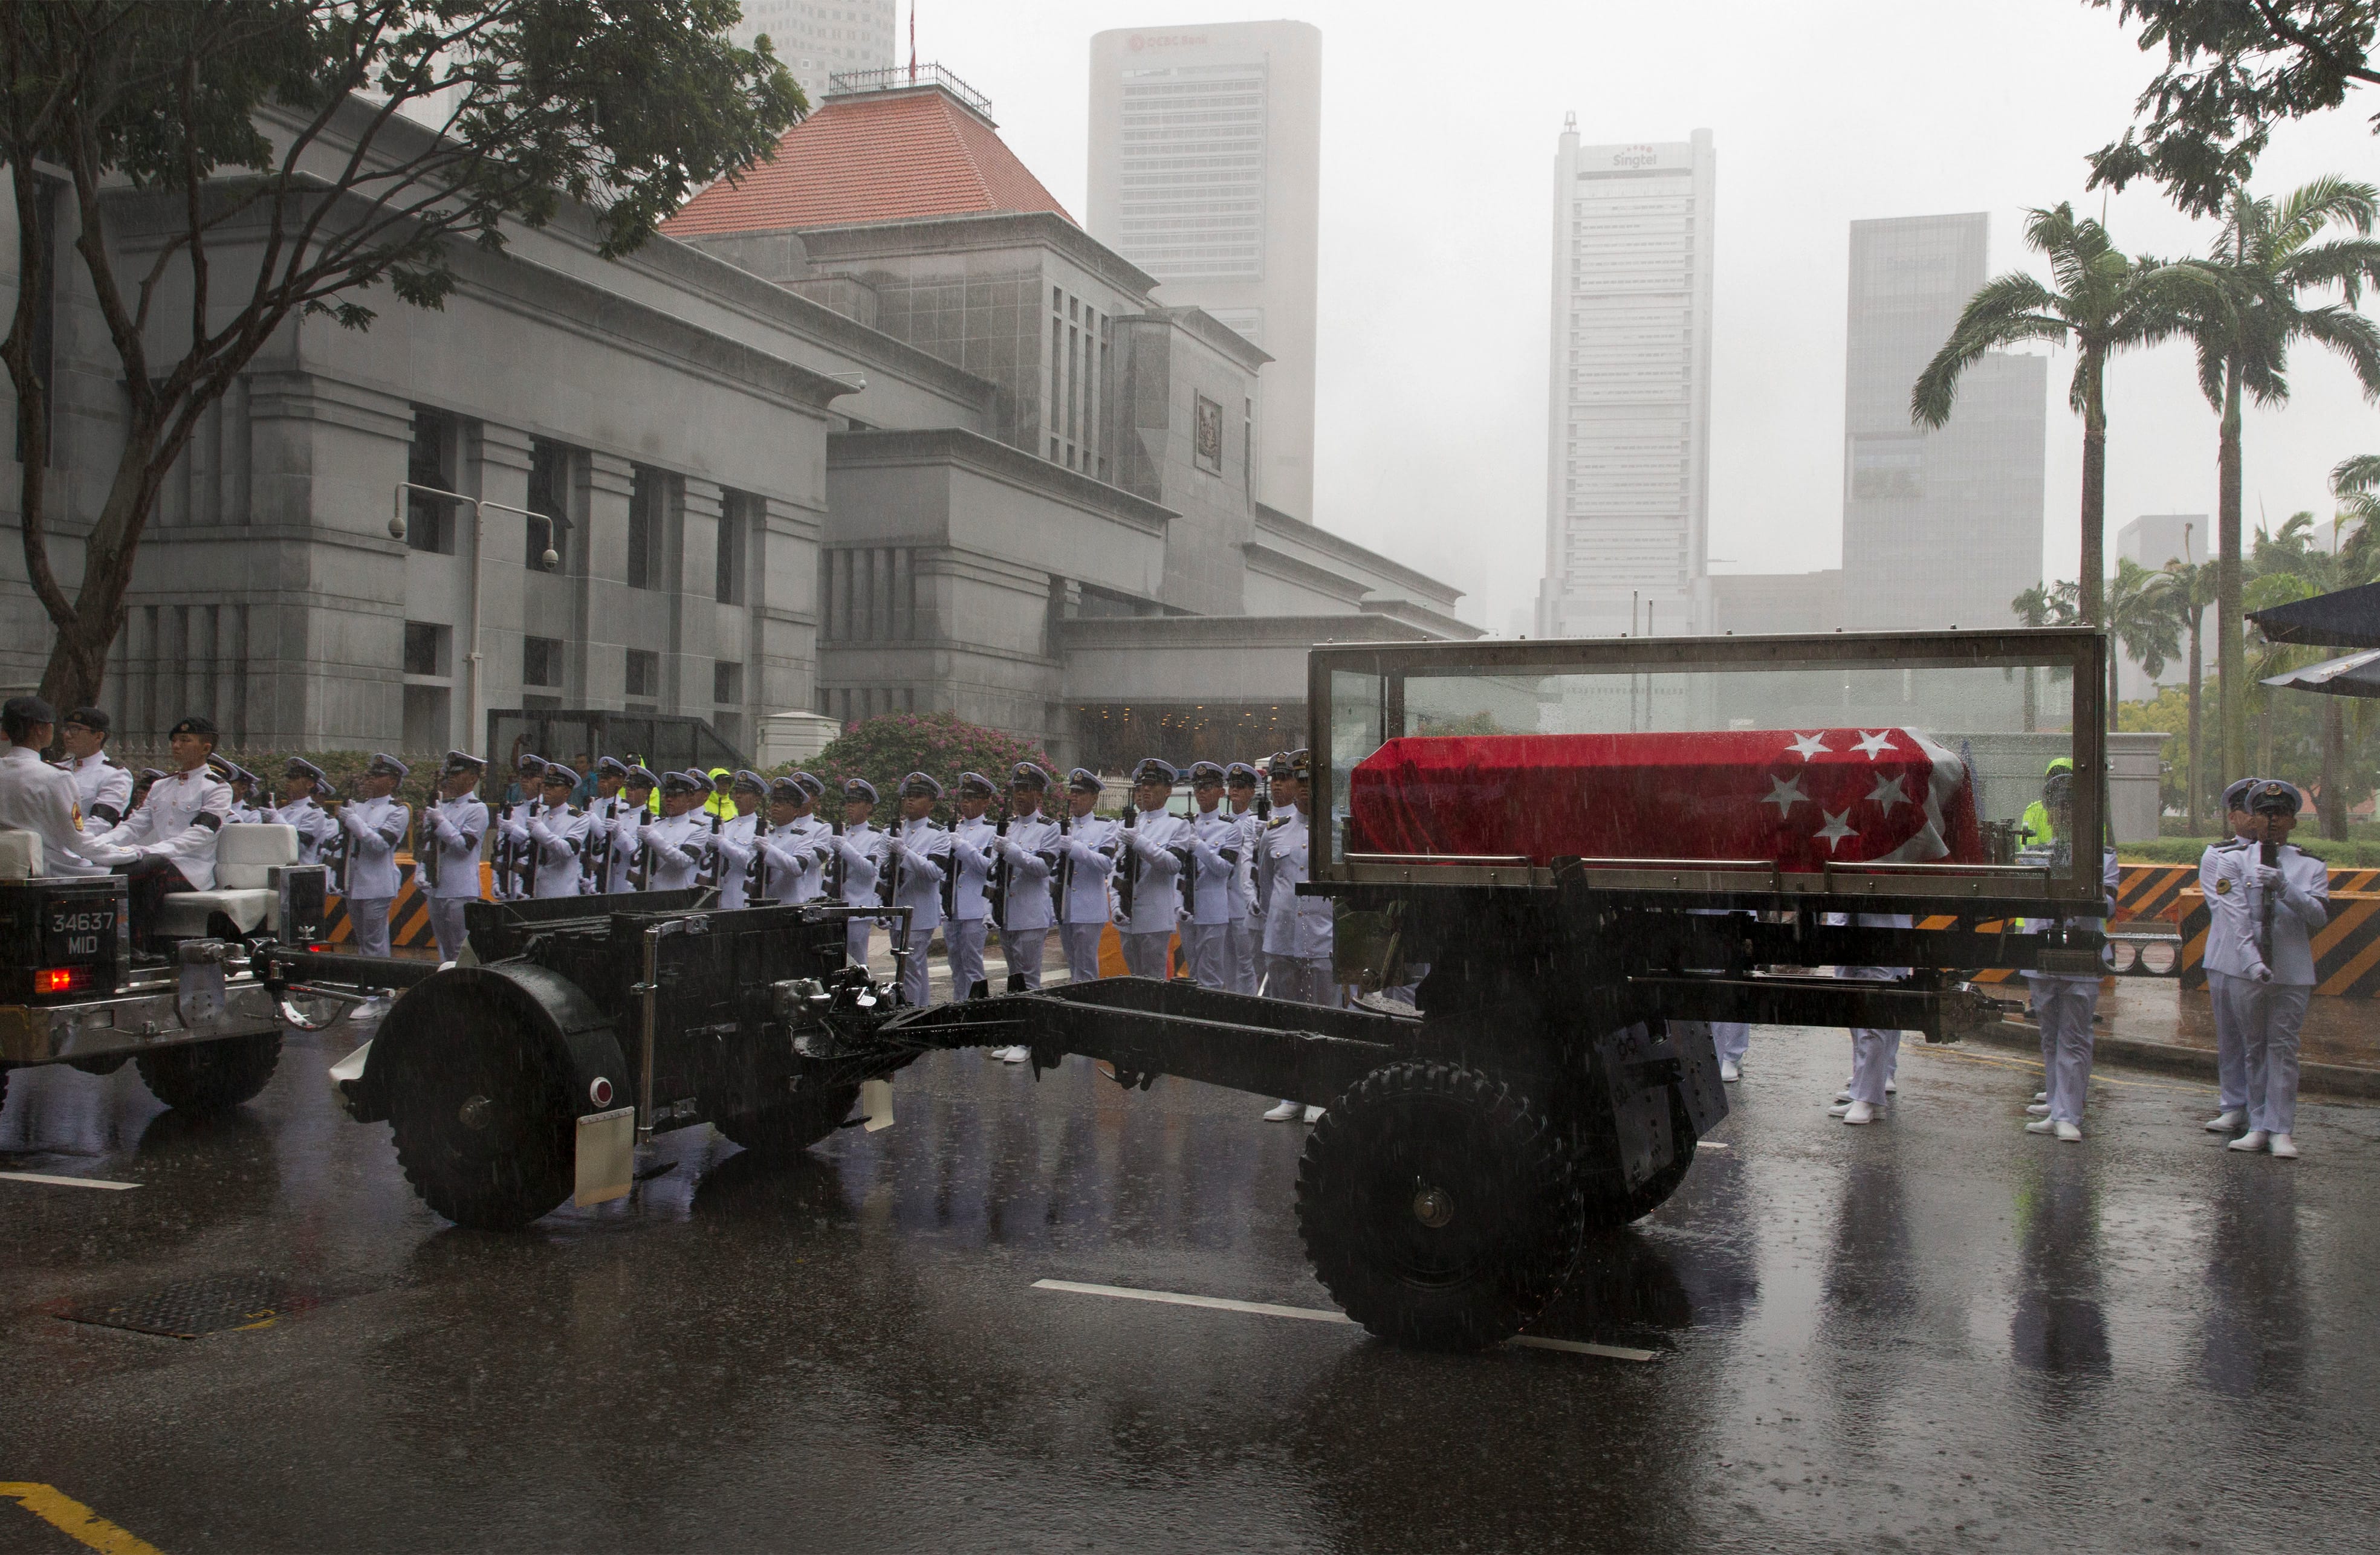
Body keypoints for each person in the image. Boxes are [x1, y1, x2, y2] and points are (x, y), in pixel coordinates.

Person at [2203, 779, 2328, 1159]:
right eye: (2264, 814)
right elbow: (2234, 918)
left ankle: (2282, 1129)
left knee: (2284, 1048)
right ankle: (2258, 1124)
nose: (2273, 821)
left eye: (2281, 814)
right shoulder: (2232, 861)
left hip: (2291, 969)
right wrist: (2253, 962)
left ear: (2293, 821)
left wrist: (2287, 887)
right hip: (2247, 969)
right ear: (2252, 820)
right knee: (2254, 1048)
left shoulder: (2309, 865)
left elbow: (2319, 917)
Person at [2018, 770, 2121, 1142]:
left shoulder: (2101, 858)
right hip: (2043, 951)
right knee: (2049, 1036)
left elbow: (2108, 907)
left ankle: (2069, 1115)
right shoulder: (2033, 856)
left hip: (2080, 953)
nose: (2064, 814)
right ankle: (2057, 1107)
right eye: (2058, 807)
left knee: (2075, 1036)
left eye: (2071, 808)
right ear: (2049, 812)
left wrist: (2084, 888)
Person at [83, 714, 234, 955]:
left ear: (206, 748)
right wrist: (93, 845)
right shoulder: (161, 786)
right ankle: (104, 940)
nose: (176, 745)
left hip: (191, 870)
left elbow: (202, 834)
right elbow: (134, 827)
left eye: (185, 740)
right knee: (106, 867)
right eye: (174, 740)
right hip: (157, 861)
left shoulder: (217, 787)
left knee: (150, 868)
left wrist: (152, 851)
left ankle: (134, 946)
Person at [1256, 749, 1336, 1123]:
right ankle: (1291, 1093)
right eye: (1299, 782)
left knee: (1323, 1016)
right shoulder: (1274, 832)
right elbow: (1266, 886)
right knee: (1287, 1017)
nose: (1304, 790)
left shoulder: (1336, 831)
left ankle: (1321, 1093)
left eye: (1310, 783)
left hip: (1322, 937)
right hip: (1282, 936)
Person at [2199, 777, 2262, 1133]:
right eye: (2249, 811)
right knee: (2231, 1037)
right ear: (2234, 817)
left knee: (2263, 1039)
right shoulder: (2218, 855)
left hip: (2268, 958)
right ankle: (2234, 1103)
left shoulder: (2281, 853)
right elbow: (2222, 906)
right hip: (2227, 956)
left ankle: (2262, 1108)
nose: (2256, 819)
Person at [0, 696, 107, 876]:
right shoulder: (55, 777)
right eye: (51, 725)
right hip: (53, 869)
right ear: (40, 729)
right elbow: (77, 841)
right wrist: (130, 853)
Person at [1826, 910, 1911, 1126]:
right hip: (1850, 916)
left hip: (1878, 920)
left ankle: (1868, 1098)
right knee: (1854, 1000)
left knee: (1873, 1005)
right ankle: (1864, 1089)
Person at [878, 772, 952, 1006]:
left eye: (918, 796)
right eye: (908, 796)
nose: (910, 800)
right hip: (896, 911)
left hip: (919, 912)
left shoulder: (938, 833)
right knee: (912, 968)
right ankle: (923, 1014)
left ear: (930, 804)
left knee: (908, 970)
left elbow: (933, 873)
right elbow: (882, 873)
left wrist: (905, 853)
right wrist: (880, 905)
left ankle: (909, 1019)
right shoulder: (890, 832)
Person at [1114, 757, 1187, 980]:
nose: (1145, 789)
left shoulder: (1178, 825)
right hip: (1128, 917)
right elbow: (1116, 870)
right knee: (1134, 980)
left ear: (1167, 790)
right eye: (1143, 784)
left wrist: (1140, 843)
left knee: (1154, 982)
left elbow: (1173, 865)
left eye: (1152, 784)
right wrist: (1116, 905)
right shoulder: (1128, 824)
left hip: (1154, 919)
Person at [337, 754, 412, 957]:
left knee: (374, 943)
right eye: (370, 775)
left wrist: (354, 821)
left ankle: (378, 986)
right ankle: (368, 984)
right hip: (353, 882)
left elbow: (381, 845)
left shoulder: (397, 810)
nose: (371, 779)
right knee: (362, 940)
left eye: (378, 776)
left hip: (377, 884)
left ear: (393, 782)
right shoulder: (358, 807)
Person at [1051, 768, 1119, 986]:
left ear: (1094, 798)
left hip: (1089, 908)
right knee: (1072, 968)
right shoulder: (1062, 827)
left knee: (1087, 970)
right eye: (1072, 793)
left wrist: (1076, 848)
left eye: (1080, 794)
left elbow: (1106, 864)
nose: (1074, 798)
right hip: (1065, 906)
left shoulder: (1106, 826)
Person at [421, 751, 489, 963]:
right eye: (449, 772)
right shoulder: (443, 806)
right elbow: (427, 846)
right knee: (443, 948)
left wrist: (440, 822)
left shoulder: (477, 809)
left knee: (462, 949)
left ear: (472, 778)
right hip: (436, 886)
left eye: (457, 773)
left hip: (460, 889)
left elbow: (463, 847)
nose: (450, 777)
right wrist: (421, 871)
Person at [1178, 761, 1240, 989]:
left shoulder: (1231, 827)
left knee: (1212, 975)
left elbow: (1224, 869)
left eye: (1207, 787)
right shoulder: (1186, 823)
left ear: (1221, 792)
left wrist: (1199, 847)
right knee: (1192, 973)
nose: (1201, 792)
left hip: (1213, 911)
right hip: (1187, 910)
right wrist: (1178, 905)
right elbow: (1178, 871)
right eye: (1198, 788)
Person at [944, 771, 1000, 1001]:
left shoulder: (992, 830)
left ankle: (978, 1008)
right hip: (952, 908)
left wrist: (964, 848)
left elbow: (990, 867)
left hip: (976, 907)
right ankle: (959, 1008)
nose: (965, 802)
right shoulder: (953, 829)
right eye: (963, 798)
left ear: (986, 801)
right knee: (956, 966)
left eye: (972, 797)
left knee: (973, 965)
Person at [502, 763, 588, 900]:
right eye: (547, 785)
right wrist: (512, 830)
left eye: (553, 786)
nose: (547, 789)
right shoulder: (540, 814)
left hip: (561, 894)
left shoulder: (578, 818)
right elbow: (529, 849)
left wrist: (539, 830)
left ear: (567, 791)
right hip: (535, 892)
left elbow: (567, 851)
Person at [828, 777, 884, 969]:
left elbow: (870, 870)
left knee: (858, 965)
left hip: (858, 908)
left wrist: (846, 849)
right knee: (837, 963)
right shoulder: (841, 834)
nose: (850, 806)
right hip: (836, 908)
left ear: (868, 807)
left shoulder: (876, 836)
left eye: (856, 802)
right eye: (848, 802)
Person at [754, 774, 834, 906]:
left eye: (782, 803)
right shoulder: (769, 833)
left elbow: (804, 865)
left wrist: (769, 849)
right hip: (767, 901)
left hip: (798, 899)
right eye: (775, 802)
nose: (776, 806)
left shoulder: (813, 831)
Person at [1224, 761, 1266, 995]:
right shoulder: (1222, 823)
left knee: (1247, 963)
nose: (1235, 791)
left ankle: (1248, 1004)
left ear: (1252, 792)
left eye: (1240, 787)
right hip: (1222, 903)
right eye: (1232, 786)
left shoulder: (1258, 823)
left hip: (1243, 903)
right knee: (1226, 963)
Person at [56, 706, 131, 833]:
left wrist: (66, 840)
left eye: (76, 730)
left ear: (98, 737)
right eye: (67, 729)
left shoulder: (114, 775)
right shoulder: (57, 768)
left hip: (82, 847)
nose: (67, 735)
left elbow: (102, 822)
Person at [637, 771, 713, 894]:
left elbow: (684, 861)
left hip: (678, 894)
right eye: (667, 795)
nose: (669, 800)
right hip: (650, 892)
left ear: (689, 799)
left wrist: (653, 838)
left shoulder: (698, 829)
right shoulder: (656, 825)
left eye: (675, 796)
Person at [710, 771, 769, 908]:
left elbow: (751, 863)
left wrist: (722, 844)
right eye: (737, 792)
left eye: (744, 793)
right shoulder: (727, 825)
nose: (738, 796)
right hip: (719, 895)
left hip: (741, 896)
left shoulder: (761, 829)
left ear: (757, 798)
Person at [273, 758, 339, 865]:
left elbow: (298, 848)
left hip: (301, 874)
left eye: (295, 779)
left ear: (309, 784)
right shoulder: (282, 811)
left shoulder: (314, 812)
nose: (289, 783)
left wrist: (275, 819)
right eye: (289, 779)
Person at [606, 765, 661, 891]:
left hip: (632, 885)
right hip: (611, 881)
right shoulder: (620, 815)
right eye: (628, 787)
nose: (629, 790)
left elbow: (636, 852)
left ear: (647, 792)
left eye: (635, 788)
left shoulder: (653, 822)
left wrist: (619, 833)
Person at [2020, 755, 2074, 848]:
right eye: (2055, 785)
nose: (2061, 790)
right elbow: (2028, 850)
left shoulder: (2087, 813)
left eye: (2067, 785)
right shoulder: (2034, 811)